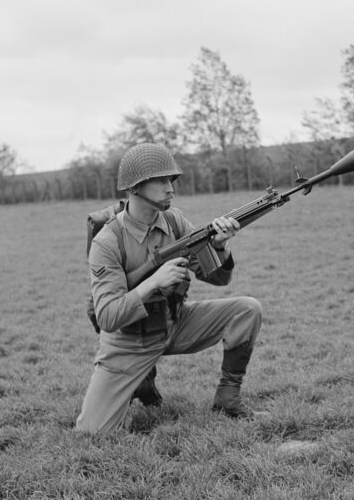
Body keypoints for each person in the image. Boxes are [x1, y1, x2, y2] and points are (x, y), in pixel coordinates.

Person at [75, 142, 262, 434]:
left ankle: (228, 398)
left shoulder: (175, 221)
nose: (170, 188)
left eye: (171, 180)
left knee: (247, 309)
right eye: (161, 180)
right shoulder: (108, 241)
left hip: (175, 324)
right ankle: (141, 379)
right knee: (92, 433)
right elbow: (108, 317)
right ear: (136, 187)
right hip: (129, 343)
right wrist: (154, 282)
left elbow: (218, 280)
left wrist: (221, 246)